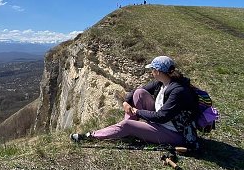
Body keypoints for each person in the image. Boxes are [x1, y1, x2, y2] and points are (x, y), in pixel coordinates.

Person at [70, 56, 199, 149]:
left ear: (158, 71)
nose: (151, 72)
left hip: (174, 133)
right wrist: (126, 102)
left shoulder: (178, 90)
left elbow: (162, 117)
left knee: (128, 125)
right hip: (165, 124)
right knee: (139, 94)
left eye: (152, 69)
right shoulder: (162, 82)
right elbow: (138, 90)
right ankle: (124, 131)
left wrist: (138, 112)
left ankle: (91, 136)